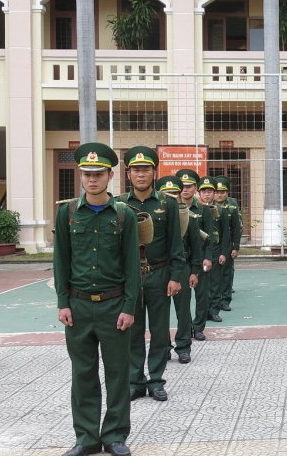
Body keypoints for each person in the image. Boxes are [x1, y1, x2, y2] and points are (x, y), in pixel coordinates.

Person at [54, 143, 138, 456]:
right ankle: (86, 438)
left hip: (114, 306)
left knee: (117, 373)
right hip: (77, 306)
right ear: (80, 176)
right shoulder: (68, 213)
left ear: (110, 176)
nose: (92, 179)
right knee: (83, 373)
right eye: (87, 174)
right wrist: (63, 302)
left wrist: (129, 307)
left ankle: (115, 435)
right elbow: (60, 260)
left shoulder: (124, 215)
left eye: (99, 174)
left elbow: (132, 265)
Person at [123, 146, 184, 403]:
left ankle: (156, 380)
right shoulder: (119, 205)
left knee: (159, 331)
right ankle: (135, 381)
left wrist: (176, 276)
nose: (141, 174)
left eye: (145, 169)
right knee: (133, 331)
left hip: (160, 274)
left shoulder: (167, 204)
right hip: (131, 278)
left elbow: (175, 243)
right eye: (136, 170)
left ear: (154, 172)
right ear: (128, 174)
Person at [156, 175, 202, 363]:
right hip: (159, 267)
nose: (173, 197)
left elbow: (196, 246)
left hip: (182, 267)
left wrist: (194, 271)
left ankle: (183, 346)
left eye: (175, 193)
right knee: (160, 312)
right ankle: (163, 346)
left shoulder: (188, 218)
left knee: (183, 310)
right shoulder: (155, 217)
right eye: (168, 194)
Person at [176, 169, 217, 341]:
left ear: (195, 188)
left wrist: (208, 257)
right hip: (182, 259)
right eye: (182, 186)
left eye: (189, 186)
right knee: (183, 300)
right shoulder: (172, 208)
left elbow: (210, 235)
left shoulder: (202, 209)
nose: (185, 190)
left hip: (200, 259)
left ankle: (198, 327)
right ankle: (185, 329)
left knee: (201, 295)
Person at [199, 176, 231, 324]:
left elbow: (225, 234)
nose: (207, 194)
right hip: (199, 253)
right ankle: (202, 312)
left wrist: (224, 252)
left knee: (215, 284)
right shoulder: (195, 210)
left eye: (210, 191)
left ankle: (214, 311)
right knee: (201, 286)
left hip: (216, 251)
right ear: (199, 193)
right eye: (204, 191)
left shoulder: (220, 210)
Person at [214, 175, 242, 312]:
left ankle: (225, 300)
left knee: (226, 274)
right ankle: (214, 300)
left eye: (222, 192)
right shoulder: (208, 206)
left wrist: (236, 247)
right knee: (213, 276)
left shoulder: (231, 207)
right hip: (212, 245)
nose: (219, 195)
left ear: (227, 193)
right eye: (217, 192)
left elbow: (237, 228)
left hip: (227, 245)